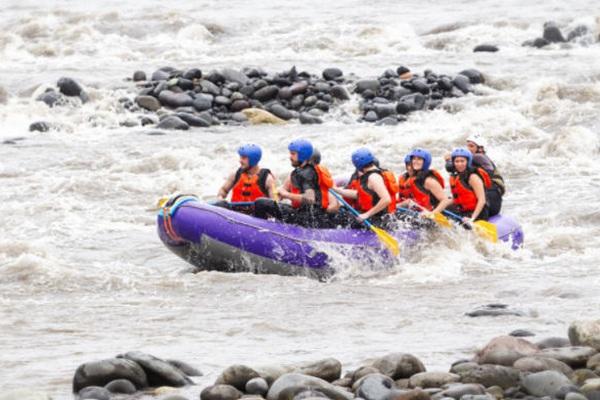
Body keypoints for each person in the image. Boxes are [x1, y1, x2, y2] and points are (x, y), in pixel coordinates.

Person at [255, 139, 334, 228]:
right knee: (267, 203)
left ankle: (261, 230)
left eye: (293, 154)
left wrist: (286, 194)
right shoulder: (301, 171)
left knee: (260, 203)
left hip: (308, 219)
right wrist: (280, 194)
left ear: (302, 155)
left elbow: (310, 199)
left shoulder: (307, 173)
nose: (290, 157)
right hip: (304, 214)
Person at [331, 148, 397, 228]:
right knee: (341, 212)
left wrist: (367, 214)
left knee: (339, 217)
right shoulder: (369, 175)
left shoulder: (373, 177)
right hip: (373, 217)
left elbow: (386, 199)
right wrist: (336, 190)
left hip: (377, 220)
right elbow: (358, 194)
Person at [445, 133, 505, 216]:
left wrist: (450, 159)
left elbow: (450, 167)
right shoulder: (475, 160)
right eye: (468, 146)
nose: (468, 149)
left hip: (491, 198)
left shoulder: (478, 157)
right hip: (493, 198)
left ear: (480, 148)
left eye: (471, 146)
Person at [216, 144, 276, 209]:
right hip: (236, 213)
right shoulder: (235, 174)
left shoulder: (267, 179)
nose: (240, 161)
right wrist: (220, 198)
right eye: (240, 157)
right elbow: (223, 190)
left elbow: (275, 203)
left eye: (243, 158)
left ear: (253, 159)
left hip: (257, 215)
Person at [444, 147, 492, 223]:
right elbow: (455, 198)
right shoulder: (456, 177)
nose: (459, 164)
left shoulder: (473, 177)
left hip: (478, 214)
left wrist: (472, 218)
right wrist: (439, 206)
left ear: (468, 161)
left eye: (462, 161)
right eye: (457, 161)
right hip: (464, 212)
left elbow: (482, 200)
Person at [398, 148, 449, 215]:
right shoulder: (409, 179)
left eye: (419, 159)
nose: (415, 161)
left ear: (425, 162)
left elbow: (445, 200)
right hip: (416, 213)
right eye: (414, 159)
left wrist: (432, 214)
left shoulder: (429, 180)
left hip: (428, 215)